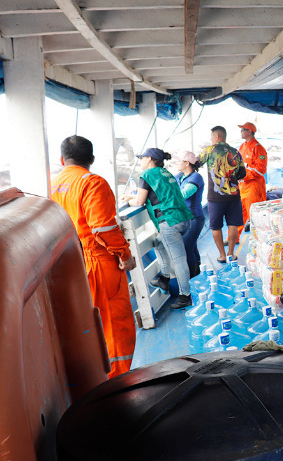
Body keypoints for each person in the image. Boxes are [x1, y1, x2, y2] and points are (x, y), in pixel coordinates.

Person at [51, 135, 137, 378]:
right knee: (113, 325)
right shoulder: (92, 183)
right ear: (92, 159)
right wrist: (124, 254)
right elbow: (103, 227)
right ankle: (117, 381)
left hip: (72, 264)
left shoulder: (54, 185)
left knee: (89, 325)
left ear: (62, 159)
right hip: (98, 264)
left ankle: (97, 380)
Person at [123, 148, 193, 309]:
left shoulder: (146, 175)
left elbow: (140, 201)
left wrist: (129, 201)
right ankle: (164, 277)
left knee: (179, 259)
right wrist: (132, 197)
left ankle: (185, 296)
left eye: (142, 158)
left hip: (169, 222)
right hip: (183, 219)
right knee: (159, 244)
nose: (141, 161)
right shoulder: (165, 173)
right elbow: (157, 194)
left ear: (149, 159)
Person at [198, 126, 247, 263]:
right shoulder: (235, 152)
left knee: (216, 226)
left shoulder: (209, 150)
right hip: (233, 195)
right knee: (233, 224)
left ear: (217, 137)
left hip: (215, 197)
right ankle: (231, 254)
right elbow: (243, 173)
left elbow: (196, 163)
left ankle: (222, 255)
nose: (211, 139)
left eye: (211, 137)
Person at [174, 151, 205, 279]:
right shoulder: (179, 176)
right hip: (184, 218)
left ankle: (192, 278)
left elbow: (184, 194)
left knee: (187, 248)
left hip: (194, 218)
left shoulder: (196, 177)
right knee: (191, 247)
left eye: (179, 161)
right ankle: (197, 274)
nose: (176, 163)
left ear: (187, 163)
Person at [238, 121, 268, 231]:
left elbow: (261, 170)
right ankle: (234, 237)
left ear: (249, 131)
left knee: (255, 216)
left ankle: (257, 241)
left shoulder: (258, 148)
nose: (240, 132)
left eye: (242, 130)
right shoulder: (242, 146)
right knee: (239, 213)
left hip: (254, 187)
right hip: (242, 186)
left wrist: (244, 177)